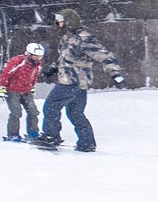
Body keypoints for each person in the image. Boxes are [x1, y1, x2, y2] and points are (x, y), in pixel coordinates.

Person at [37, 9, 125, 152]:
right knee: (75, 113)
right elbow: (65, 58)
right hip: (75, 82)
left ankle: (50, 137)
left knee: (51, 106)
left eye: (61, 20)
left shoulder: (84, 37)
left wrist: (115, 73)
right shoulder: (67, 37)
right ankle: (87, 143)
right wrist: (52, 68)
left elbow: (103, 55)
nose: (58, 23)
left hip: (71, 81)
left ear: (69, 21)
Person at [0, 42, 45, 142]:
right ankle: (13, 135)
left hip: (26, 91)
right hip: (12, 91)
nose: (38, 59)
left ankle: (33, 133)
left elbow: (34, 76)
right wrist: (2, 88)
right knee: (16, 113)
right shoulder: (18, 61)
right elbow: (5, 74)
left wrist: (32, 87)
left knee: (33, 112)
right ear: (29, 54)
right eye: (36, 56)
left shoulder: (37, 65)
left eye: (40, 57)